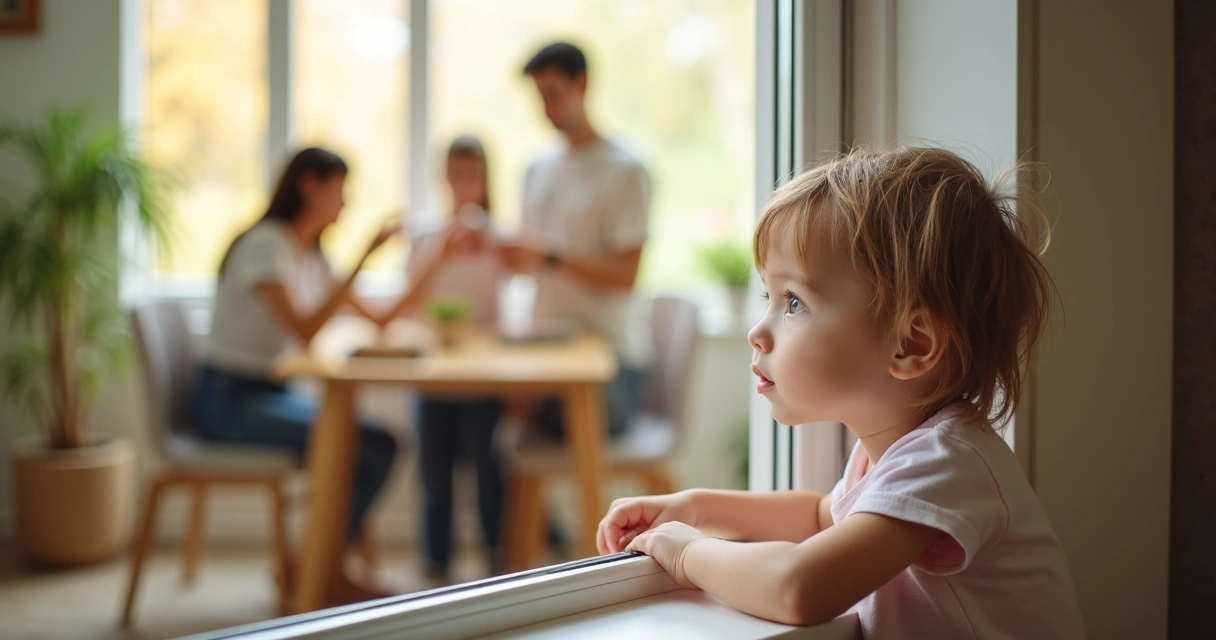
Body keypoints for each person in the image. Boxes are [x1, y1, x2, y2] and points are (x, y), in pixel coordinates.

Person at [597, 147, 1086, 637]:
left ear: (911, 343)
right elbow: (818, 516)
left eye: (792, 302)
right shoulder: (894, 453)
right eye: (769, 298)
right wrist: (698, 507)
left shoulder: (949, 462)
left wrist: (687, 552)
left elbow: (799, 587)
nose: (757, 332)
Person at [194, 147, 459, 604]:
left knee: (378, 442)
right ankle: (321, 570)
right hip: (229, 401)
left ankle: (313, 565)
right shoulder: (268, 243)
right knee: (368, 444)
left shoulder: (310, 255)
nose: (346, 202)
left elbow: (382, 318)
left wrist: (437, 258)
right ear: (310, 187)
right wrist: (362, 257)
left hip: (265, 394)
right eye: (340, 189)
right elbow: (303, 330)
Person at [498, 41, 653, 441]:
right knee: (470, 407)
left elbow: (626, 275)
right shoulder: (536, 169)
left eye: (553, 94)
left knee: (512, 415)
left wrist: (548, 257)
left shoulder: (625, 170)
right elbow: (527, 261)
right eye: (539, 97)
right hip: (545, 351)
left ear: (582, 84)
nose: (546, 108)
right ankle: (509, 507)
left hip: (610, 365)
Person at [406, 136, 507, 583]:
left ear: (485, 180)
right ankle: (436, 560)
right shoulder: (427, 238)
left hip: (483, 377)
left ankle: (496, 556)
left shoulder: (499, 242)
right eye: (456, 173)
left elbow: (503, 312)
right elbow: (409, 304)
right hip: (436, 374)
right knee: (435, 473)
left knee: (488, 470)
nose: (464, 183)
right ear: (444, 178)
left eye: (473, 174)